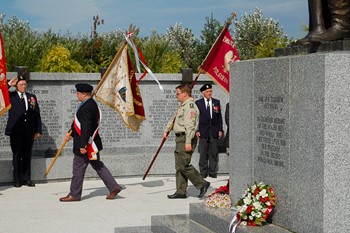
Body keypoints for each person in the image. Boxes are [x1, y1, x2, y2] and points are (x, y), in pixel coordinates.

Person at [59, 83, 122, 202]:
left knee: (78, 168)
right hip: (91, 143)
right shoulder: (89, 104)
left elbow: (86, 127)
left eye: (78, 93)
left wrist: (83, 145)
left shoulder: (87, 107)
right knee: (98, 165)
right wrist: (70, 134)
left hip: (86, 144)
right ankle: (114, 187)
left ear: (84, 94)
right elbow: (79, 124)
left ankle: (75, 194)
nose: (76, 95)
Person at [163, 83, 210, 199]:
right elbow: (174, 120)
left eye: (178, 94)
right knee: (179, 165)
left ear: (185, 94)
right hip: (180, 138)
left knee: (183, 165)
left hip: (186, 138)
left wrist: (188, 142)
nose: (176, 96)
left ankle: (202, 184)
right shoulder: (183, 106)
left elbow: (190, 126)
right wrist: (166, 130)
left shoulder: (190, 107)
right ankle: (181, 191)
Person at [5, 75, 42, 187]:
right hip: (16, 131)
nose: (24, 86)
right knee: (17, 155)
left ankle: (27, 179)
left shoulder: (31, 97)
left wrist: (38, 130)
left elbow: (37, 114)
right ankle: (17, 180)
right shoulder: (11, 96)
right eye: (21, 84)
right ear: (16, 86)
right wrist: (8, 85)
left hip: (29, 131)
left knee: (27, 155)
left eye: (25, 84)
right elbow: (1, 94)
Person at [195, 83, 223, 178]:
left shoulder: (216, 102)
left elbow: (219, 117)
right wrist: (197, 130)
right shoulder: (198, 103)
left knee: (214, 152)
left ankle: (213, 171)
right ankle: (203, 172)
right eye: (207, 91)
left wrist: (220, 130)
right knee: (203, 153)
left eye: (210, 91)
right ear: (203, 92)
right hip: (203, 131)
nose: (209, 93)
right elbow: (196, 118)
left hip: (214, 131)